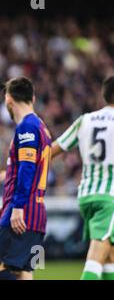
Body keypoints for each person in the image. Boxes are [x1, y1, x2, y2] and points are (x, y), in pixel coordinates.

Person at [0, 77, 52, 280]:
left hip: (23, 213)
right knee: (23, 273)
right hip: (36, 214)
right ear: (32, 97)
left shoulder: (27, 126)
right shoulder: (42, 127)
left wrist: (17, 207)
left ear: (8, 99)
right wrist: (8, 204)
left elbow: (27, 169)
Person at [51, 76, 114, 280]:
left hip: (87, 195)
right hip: (110, 197)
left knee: (110, 257)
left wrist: (20, 164)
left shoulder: (85, 120)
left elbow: (51, 150)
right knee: (98, 252)